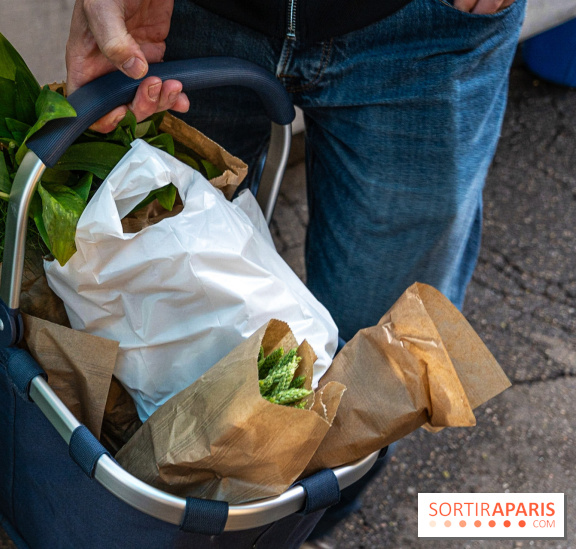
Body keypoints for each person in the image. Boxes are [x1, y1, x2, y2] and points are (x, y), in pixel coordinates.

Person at [65, 0, 526, 541]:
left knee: (373, 364)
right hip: (188, 14)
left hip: (419, 27)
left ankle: (298, 527)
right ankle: (165, 521)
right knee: (147, 281)